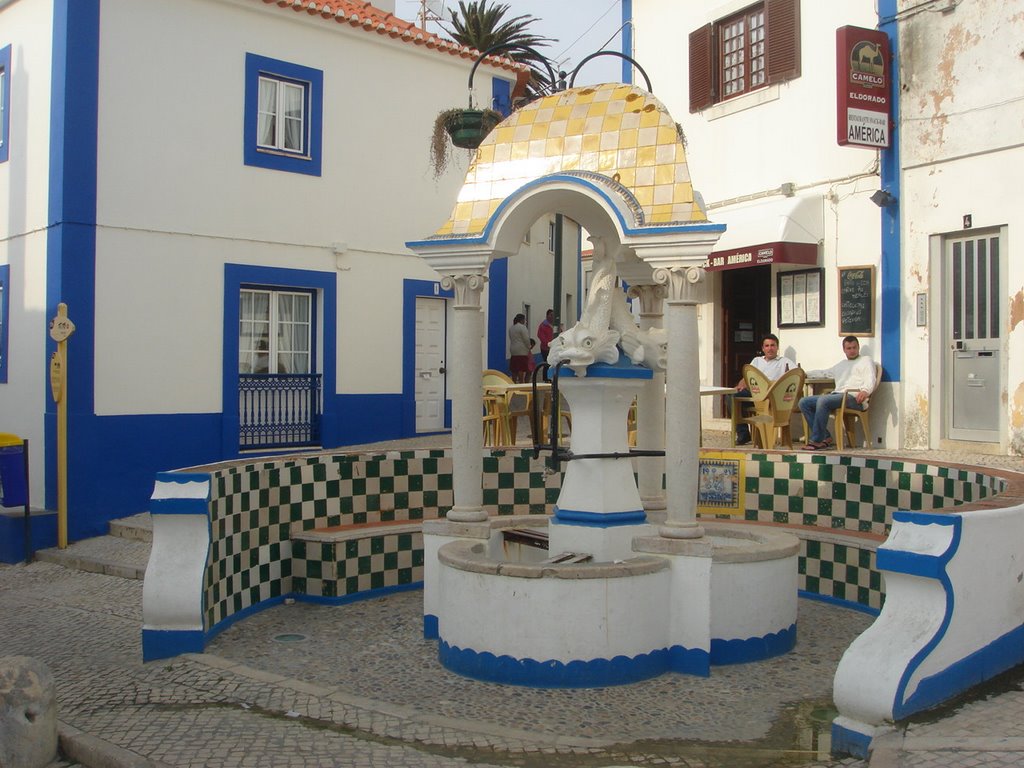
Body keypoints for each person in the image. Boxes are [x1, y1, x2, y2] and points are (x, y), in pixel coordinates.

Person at [798, 336, 876, 450]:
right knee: (804, 402)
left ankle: (816, 440)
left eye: (854, 347)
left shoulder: (866, 360)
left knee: (823, 400)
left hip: (854, 397)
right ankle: (825, 437)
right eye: (849, 348)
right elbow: (825, 373)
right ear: (844, 350)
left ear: (858, 347)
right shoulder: (842, 364)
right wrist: (805, 374)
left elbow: (871, 378)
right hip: (838, 395)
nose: (852, 350)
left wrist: (865, 391)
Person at [731, 333, 796, 445]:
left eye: (772, 345)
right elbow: (747, 377)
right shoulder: (757, 360)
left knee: (748, 402)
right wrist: (740, 385)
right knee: (732, 397)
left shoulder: (784, 361)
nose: (770, 348)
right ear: (763, 348)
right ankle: (743, 433)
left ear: (777, 347)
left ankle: (757, 431)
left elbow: (794, 374)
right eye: (767, 346)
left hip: (771, 395)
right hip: (755, 392)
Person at [508, 313, 531, 383]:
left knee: (514, 369)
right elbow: (526, 339)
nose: (525, 321)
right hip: (522, 351)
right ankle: (521, 382)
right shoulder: (522, 327)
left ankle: (513, 382)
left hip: (513, 350)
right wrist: (529, 347)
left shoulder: (512, 328)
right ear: (522, 320)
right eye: (524, 319)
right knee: (521, 368)